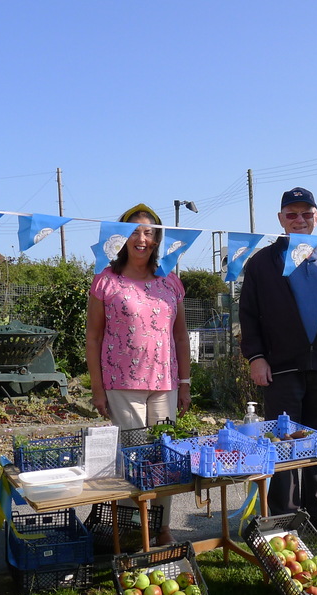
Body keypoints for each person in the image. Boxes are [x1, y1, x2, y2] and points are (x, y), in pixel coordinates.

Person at [239, 187, 317, 538]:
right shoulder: (261, 262)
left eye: (307, 214)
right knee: (283, 446)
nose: (300, 220)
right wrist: (256, 358)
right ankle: (286, 516)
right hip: (281, 369)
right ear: (280, 220)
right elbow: (248, 315)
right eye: (292, 214)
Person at [86, 203, 191, 545]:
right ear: (121, 238)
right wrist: (98, 390)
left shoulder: (170, 281)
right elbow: (94, 336)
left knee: (164, 458)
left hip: (165, 384)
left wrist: (186, 384)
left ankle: (161, 528)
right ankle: (133, 530)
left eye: (149, 233)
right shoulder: (106, 281)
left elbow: (179, 335)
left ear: (158, 240)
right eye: (134, 232)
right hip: (122, 385)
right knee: (134, 461)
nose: (142, 239)